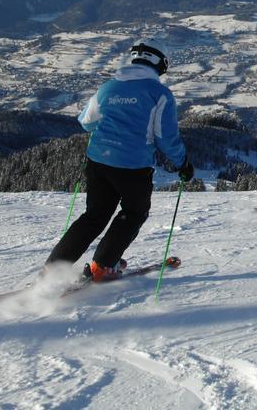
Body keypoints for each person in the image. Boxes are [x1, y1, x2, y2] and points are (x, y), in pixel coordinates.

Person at [46, 39, 192, 281]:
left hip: (98, 162)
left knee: (95, 216)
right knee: (134, 213)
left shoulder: (108, 88)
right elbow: (165, 138)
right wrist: (183, 163)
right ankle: (103, 265)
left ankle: (55, 268)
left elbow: (86, 122)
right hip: (133, 167)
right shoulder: (159, 94)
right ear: (160, 63)